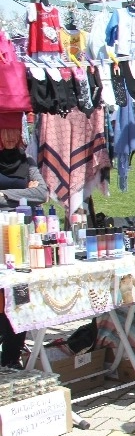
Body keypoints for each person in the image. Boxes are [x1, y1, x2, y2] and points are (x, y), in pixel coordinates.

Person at [0, 132, 48, 369]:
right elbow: (32, 194)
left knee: (21, 295)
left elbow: (41, 194)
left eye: (13, 134)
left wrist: (4, 194)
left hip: (21, 236)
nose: (9, 138)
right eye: (4, 133)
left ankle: (11, 357)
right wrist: (23, 194)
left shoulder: (26, 162)